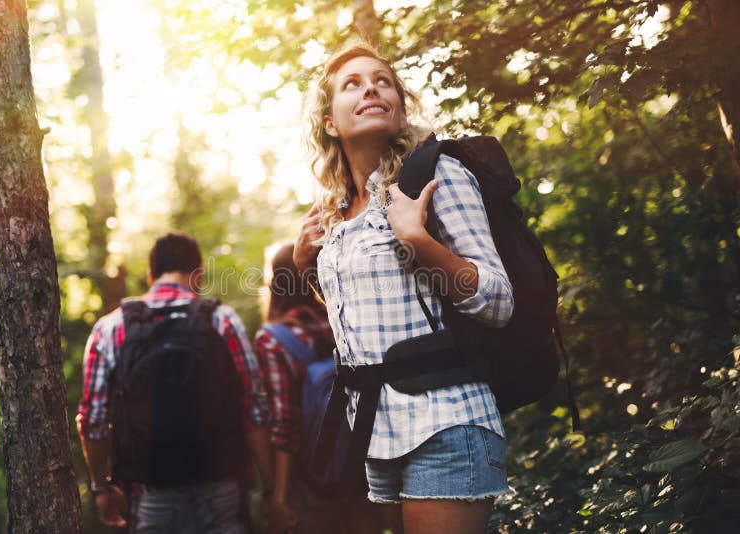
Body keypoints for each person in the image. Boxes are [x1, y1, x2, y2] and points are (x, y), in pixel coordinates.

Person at [294, 42, 515, 534]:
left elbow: (499, 300)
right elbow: (366, 314)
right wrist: (303, 264)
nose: (370, 87)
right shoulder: (332, 212)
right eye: (351, 84)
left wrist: (418, 239)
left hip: (446, 420)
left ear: (398, 106)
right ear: (330, 122)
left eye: (382, 81)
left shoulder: (438, 178)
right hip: (374, 432)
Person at [76, 231, 268, 533]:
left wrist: (101, 488)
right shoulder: (222, 320)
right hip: (220, 487)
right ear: (199, 276)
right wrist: (271, 492)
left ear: (151, 275)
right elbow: (255, 410)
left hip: (149, 494)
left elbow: (92, 421)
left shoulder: (110, 328)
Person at [250, 242, 383, 534]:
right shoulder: (339, 321)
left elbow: (285, 425)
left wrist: (279, 498)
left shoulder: (274, 339)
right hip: (362, 467)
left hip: (309, 480)